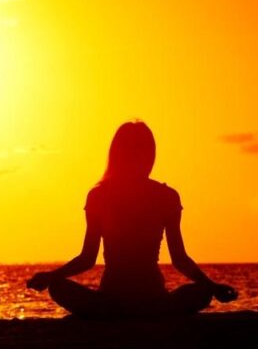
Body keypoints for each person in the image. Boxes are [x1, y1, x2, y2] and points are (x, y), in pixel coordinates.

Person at [27, 120, 238, 318]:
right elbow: (179, 259)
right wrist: (211, 287)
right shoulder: (116, 196)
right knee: (201, 292)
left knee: (58, 286)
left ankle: (112, 315)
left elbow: (87, 258)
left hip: (118, 302)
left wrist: (51, 276)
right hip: (148, 302)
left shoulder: (107, 195)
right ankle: (145, 313)